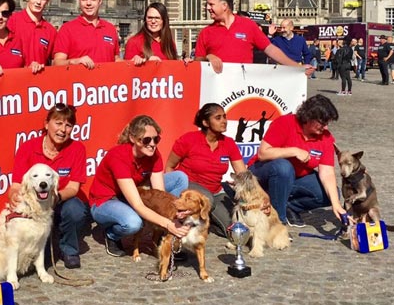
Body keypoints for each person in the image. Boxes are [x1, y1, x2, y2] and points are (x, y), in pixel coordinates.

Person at [89, 115, 190, 257]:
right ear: (133, 139)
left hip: (136, 191)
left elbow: (160, 196)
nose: (153, 144)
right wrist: (168, 223)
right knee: (134, 223)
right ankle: (112, 234)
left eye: (156, 139)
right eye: (147, 140)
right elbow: (137, 205)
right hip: (106, 200)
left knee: (180, 178)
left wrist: (176, 212)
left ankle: (162, 236)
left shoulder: (154, 155)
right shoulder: (119, 156)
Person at [10, 104, 90, 269]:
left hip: (61, 200)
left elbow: (74, 188)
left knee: (75, 210)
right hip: (33, 204)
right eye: (58, 123)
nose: (63, 130)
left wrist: (55, 198)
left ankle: (69, 249)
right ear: (46, 124)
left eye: (68, 125)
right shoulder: (27, 148)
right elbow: (16, 185)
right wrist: (15, 196)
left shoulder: (77, 149)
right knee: (40, 259)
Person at [247, 94, 345, 227]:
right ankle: (277, 222)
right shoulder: (285, 123)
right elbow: (263, 154)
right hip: (263, 173)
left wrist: (336, 205)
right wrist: (293, 151)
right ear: (309, 117)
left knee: (331, 194)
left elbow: (327, 172)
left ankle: (288, 206)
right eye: (323, 123)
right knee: (283, 167)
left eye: (328, 123)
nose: (326, 128)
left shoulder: (326, 138)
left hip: (294, 179)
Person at [165, 103, 246, 237]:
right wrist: (174, 198)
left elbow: (242, 174)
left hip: (216, 191)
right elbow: (170, 167)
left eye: (224, 117)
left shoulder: (229, 143)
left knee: (235, 231)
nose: (224, 121)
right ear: (205, 122)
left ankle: (208, 223)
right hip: (190, 188)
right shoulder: (188, 140)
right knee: (207, 199)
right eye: (218, 118)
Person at [194, 0, 313, 75]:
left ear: (224, 6)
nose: (207, 8)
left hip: (243, 90)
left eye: (211, 4)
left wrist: (297, 67)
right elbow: (197, 62)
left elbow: (270, 49)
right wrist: (208, 57)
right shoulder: (205, 32)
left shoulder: (248, 25)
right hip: (217, 90)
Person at [53, 0, 120, 68]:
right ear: (79, 1)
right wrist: (74, 61)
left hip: (105, 81)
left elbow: (116, 59)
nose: (88, 3)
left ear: (100, 1)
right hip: (79, 80)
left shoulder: (110, 28)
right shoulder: (67, 29)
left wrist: (134, 62)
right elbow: (57, 62)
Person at [7, 0, 57, 72]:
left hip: (39, 82)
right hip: (14, 80)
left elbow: (54, 62)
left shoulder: (51, 30)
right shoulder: (11, 21)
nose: (38, 2)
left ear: (48, 0)